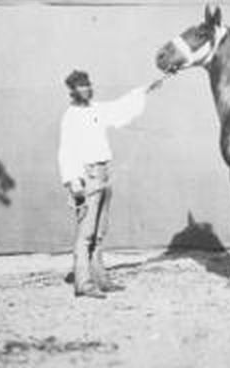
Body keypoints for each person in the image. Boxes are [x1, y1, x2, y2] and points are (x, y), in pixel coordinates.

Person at [58, 70, 163, 299]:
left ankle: (101, 279)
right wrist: (74, 182)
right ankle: (83, 283)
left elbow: (120, 107)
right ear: (72, 91)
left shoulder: (97, 109)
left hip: (104, 173)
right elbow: (66, 151)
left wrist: (146, 89)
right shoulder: (71, 116)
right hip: (88, 176)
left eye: (87, 84)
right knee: (85, 234)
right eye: (80, 86)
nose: (85, 89)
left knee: (99, 233)